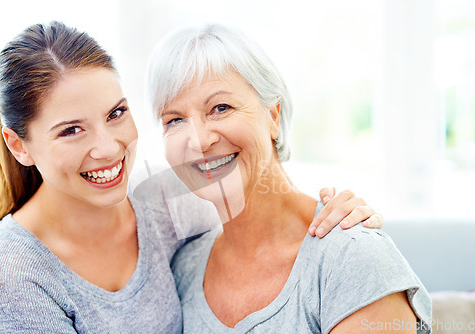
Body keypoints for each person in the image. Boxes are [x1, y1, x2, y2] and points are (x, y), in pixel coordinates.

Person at [0, 21, 382, 333]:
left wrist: (342, 217)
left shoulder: (171, 200)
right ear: (18, 146)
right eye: (71, 130)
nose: (109, 149)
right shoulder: (12, 274)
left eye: (116, 114)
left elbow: (258, 199)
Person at [147, 24, 432, 333]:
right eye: (174, 120)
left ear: (273, 115)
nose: (199, 141)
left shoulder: (352, 257)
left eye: (220, 108)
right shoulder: (183, 270)